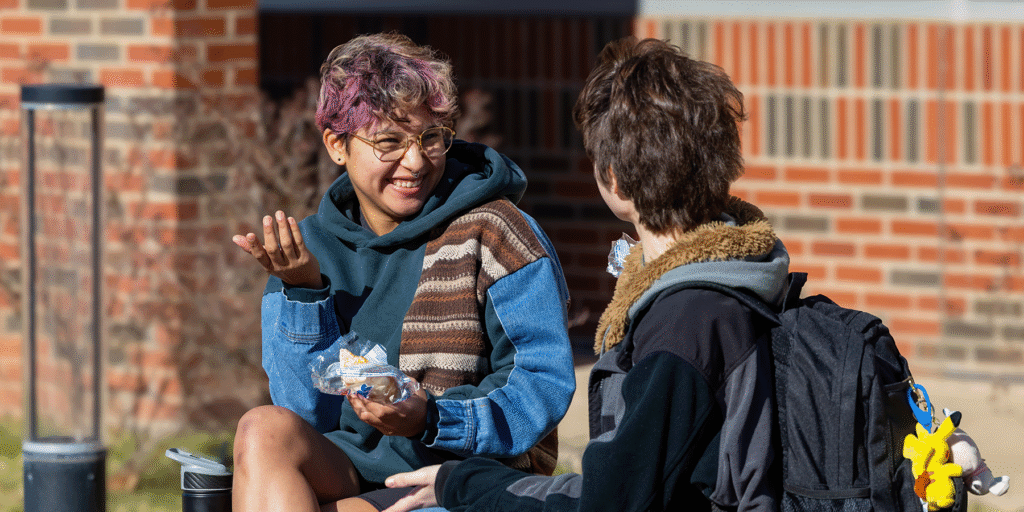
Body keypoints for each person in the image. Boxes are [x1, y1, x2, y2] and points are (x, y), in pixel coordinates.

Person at [381, 36, 789, 512]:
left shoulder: (685, 326)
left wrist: (464, 483)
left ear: (612, 177)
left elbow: (610, 500)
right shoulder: (741, 279)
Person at [230, 32, 575, 512]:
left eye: (430, 138)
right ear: (336, 145)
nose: (414, 162)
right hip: (348, 469)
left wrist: (430, 417)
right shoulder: (306, 251)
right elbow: (306, 415)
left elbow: (541, 384)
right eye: (389, 142)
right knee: (261, 430)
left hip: (461, 477)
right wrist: (304, 291)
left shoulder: (496, 232)